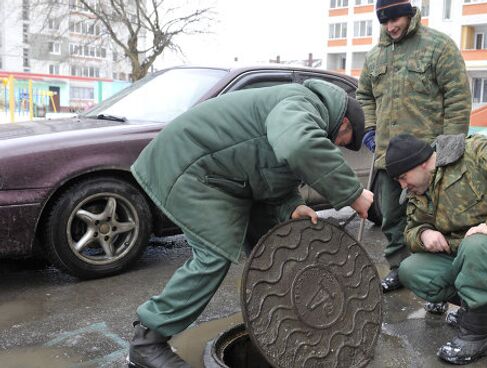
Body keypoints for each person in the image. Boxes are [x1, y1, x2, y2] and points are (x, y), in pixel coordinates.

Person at [127, 79, 374, 368]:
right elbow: (297, 145)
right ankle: (147, 341)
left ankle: (282, 325)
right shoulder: (306, 103)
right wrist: (352, 193)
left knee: (275, 245)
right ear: (343, 121)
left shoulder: (301, 107)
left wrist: (292, 206)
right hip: (189, 165)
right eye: (343, 139)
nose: (337, 145)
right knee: (214, 255)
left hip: (226, 176)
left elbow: (269, 164)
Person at [384, 133, 487, 364]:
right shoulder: (417, 191)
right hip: (467, 256)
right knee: (411, 269)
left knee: (477, 245)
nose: (402, 185)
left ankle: (477, 336)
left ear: (421, 162)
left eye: (403, 177)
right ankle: (474, 310)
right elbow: (411, 231)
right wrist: (424, 234)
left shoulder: (472, 152)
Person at [356, 0, 472, 293]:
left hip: (429, 157)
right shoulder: (375, 57)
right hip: (388, 157)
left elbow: (457, 97)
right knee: (393, 220)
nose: (391, 26)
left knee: (439, 220)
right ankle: (400, 268)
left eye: (395, 19)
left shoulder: (438, 46)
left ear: (409, 14)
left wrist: (450, 149)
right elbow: (364, 95)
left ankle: (444, 281)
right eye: (384, 21)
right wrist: (370, 128)